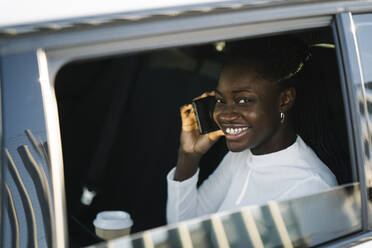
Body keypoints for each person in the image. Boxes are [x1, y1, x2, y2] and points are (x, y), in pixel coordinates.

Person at [166, 36, 338, 224]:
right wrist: (189, 156)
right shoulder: (239, 157)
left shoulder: (311, 190)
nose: (225, 115)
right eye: (221, 101)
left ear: (284, 100)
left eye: (243, 100)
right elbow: (185, 230)